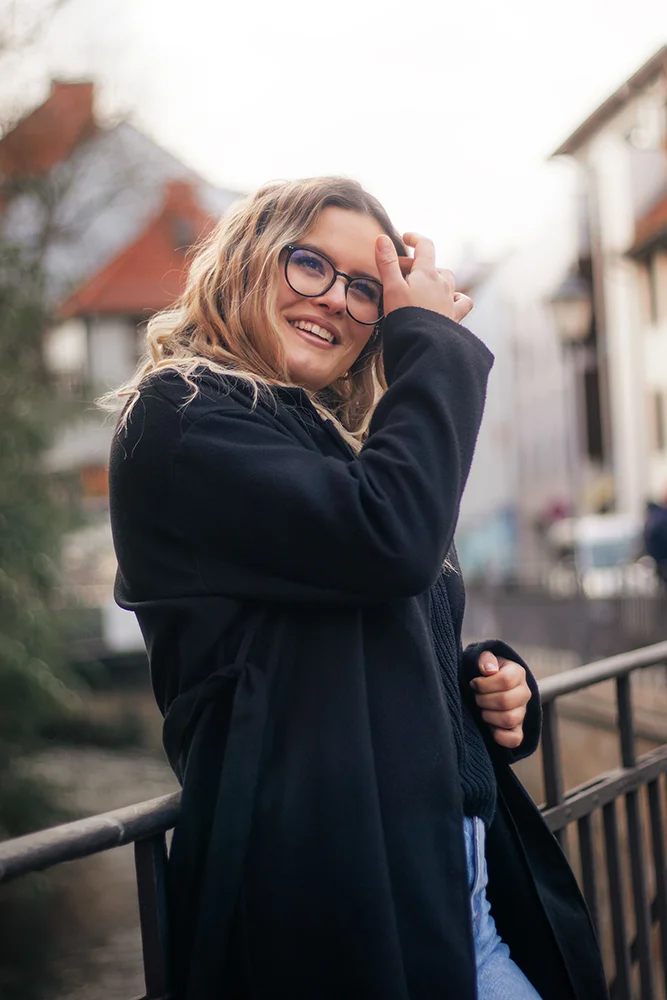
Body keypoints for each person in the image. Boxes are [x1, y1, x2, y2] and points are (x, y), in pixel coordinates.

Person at [106, 177, 608, 1000]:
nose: (336, 299)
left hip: (457, 895)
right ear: (247, 262)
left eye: (367, 289)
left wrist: (479, 684)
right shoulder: (185, 417)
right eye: (310, 264)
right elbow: (389, 541)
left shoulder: (330, 441)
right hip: (336, 912)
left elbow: (361, 621)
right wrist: (430, 340)